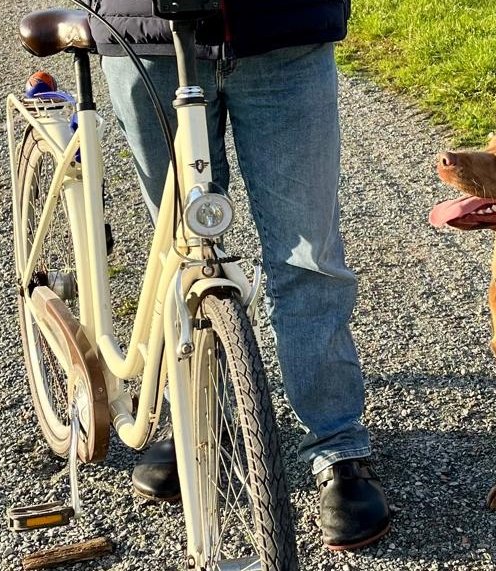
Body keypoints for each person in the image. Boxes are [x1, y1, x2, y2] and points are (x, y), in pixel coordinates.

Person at [88, 0, 390, 551]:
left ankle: (337, 444)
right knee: (183, 253)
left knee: (310, 258)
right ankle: (204, 421)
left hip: (285, 32)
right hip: (148, 36)